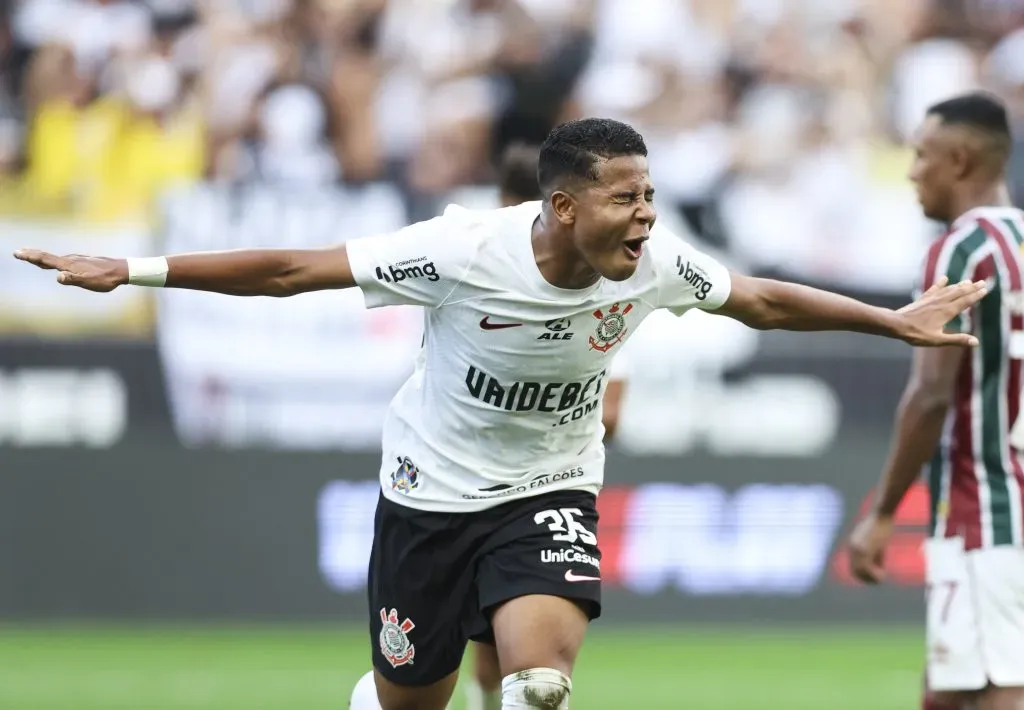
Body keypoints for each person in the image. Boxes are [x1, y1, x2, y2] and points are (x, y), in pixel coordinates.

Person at [14, 117, 984, 710]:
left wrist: (889, 320)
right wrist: (133, 268)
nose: (645, 217)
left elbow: (762, 298)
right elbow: (289, 269)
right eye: (623, 199)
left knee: (538, 680)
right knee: (409, 693)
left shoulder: (654, 264)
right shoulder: (461, 249)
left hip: (548, 484)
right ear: (561, 206)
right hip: (427, 496)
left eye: (650, 196)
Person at [846, 93, 1024, 710]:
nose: (912, 170)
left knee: (1001, 684)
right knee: (946, 692)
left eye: (921, 155)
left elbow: (928, 395)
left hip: (990, 507)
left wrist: (884, 511)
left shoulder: (960, 250)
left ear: (959, 159)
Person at [460, 142, 630, 710]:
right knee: (469, 656)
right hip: (454, 485)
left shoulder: (603, 293)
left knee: (534, 677)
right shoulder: (473, 270)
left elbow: (613, 413)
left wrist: (547, 408)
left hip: (542, 487)